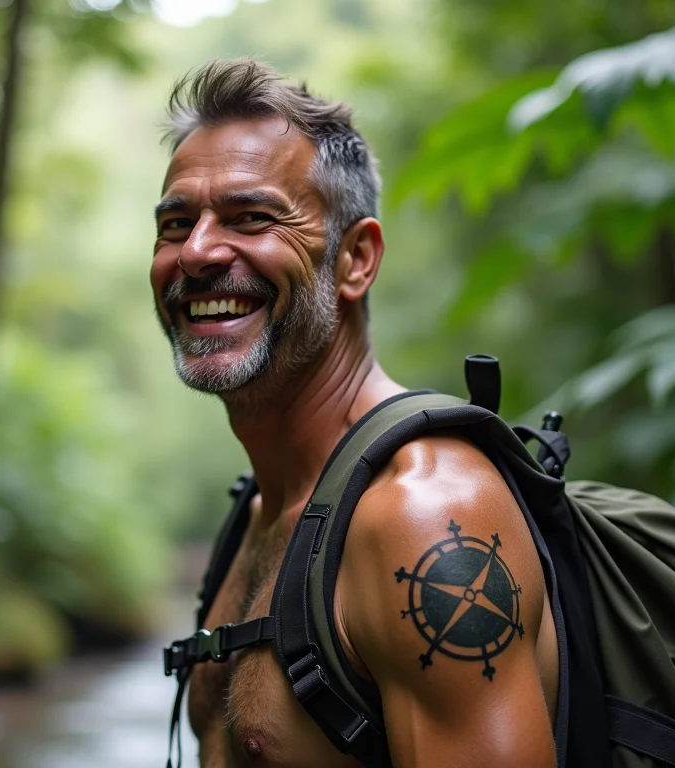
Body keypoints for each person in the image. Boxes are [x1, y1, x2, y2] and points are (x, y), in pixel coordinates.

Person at [150, 58, 558, 767]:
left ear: (355, 260)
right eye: (176, 224)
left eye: (251, 218)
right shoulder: (258, 511)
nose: (197, 253)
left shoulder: (420, 515)